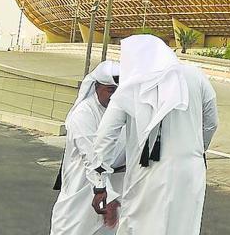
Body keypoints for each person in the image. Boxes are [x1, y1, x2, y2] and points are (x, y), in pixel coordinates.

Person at [89, 35, 219, 234]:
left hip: (147, 172)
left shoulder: (130, 85)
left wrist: (99, 184)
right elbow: (211, 123)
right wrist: (196, 151)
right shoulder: (196, 76)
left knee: (140, 226)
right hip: (189, 172)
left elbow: (105, 136)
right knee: (182, 227)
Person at [50, 61, 123, 235]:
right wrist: (105, 193)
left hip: (114, 186)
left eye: (119, 92)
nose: (114, 97)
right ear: (97, 86)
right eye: (110, 91)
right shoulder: (84, 113)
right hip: (83, 187)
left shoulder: (120, 111)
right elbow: (92, 156)